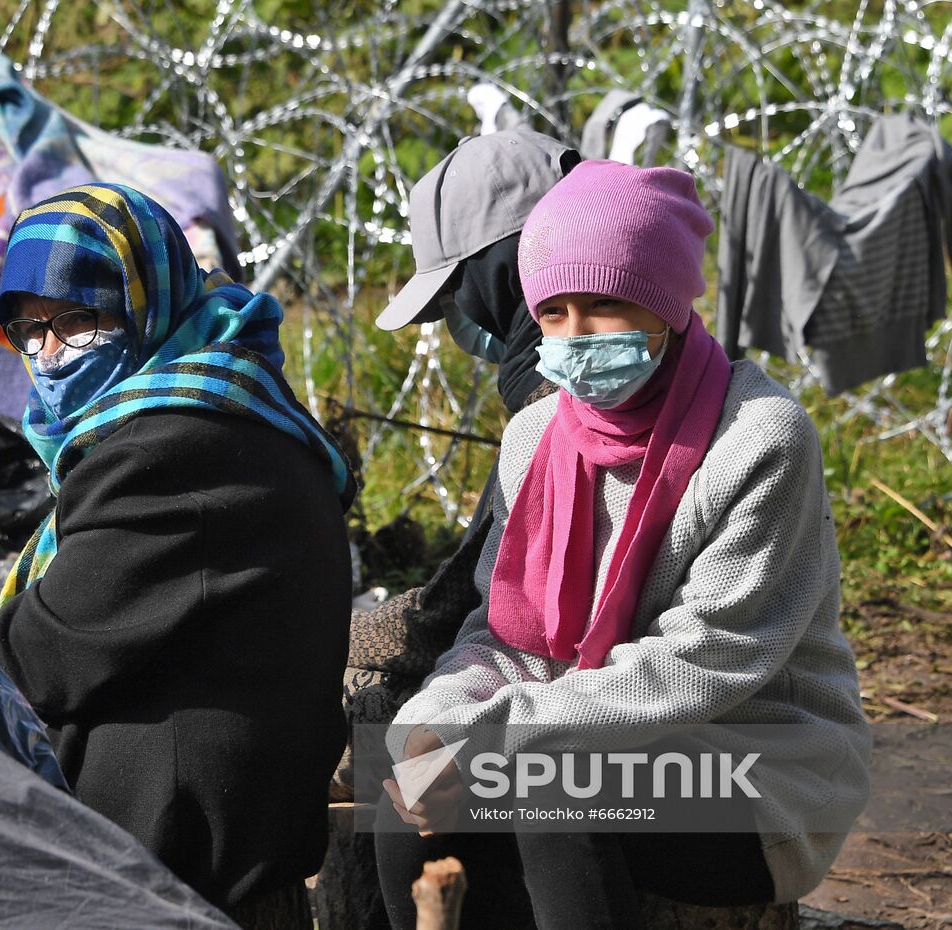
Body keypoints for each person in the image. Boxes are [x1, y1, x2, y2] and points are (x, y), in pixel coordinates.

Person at [372, 161, 871, 929]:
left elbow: (707, 657)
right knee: (409, 800)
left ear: (667, 302)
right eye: (554, 312)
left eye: (604, 305)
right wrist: (435, 725)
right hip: (576, 733)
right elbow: (505, 634)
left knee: (548, 786)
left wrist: (494, 736)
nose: (575, 337)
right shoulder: (536, 436)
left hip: (763, 771)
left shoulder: (757, 437)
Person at [0, 183, 356, 925]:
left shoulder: (175, 448)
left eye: (78, 321)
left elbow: (39, 656)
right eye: (28, 330)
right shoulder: (217, 401)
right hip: (200, 856)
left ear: (143, 301)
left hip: (182, 874)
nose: (48, 354)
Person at [338, 128, 579, 797]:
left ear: (504, 270)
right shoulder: (643, 355)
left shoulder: (557, 405)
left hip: (584, 718)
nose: (457, 320)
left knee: (377, 710)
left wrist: (335, 641)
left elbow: (464, 603)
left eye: (456, 293)